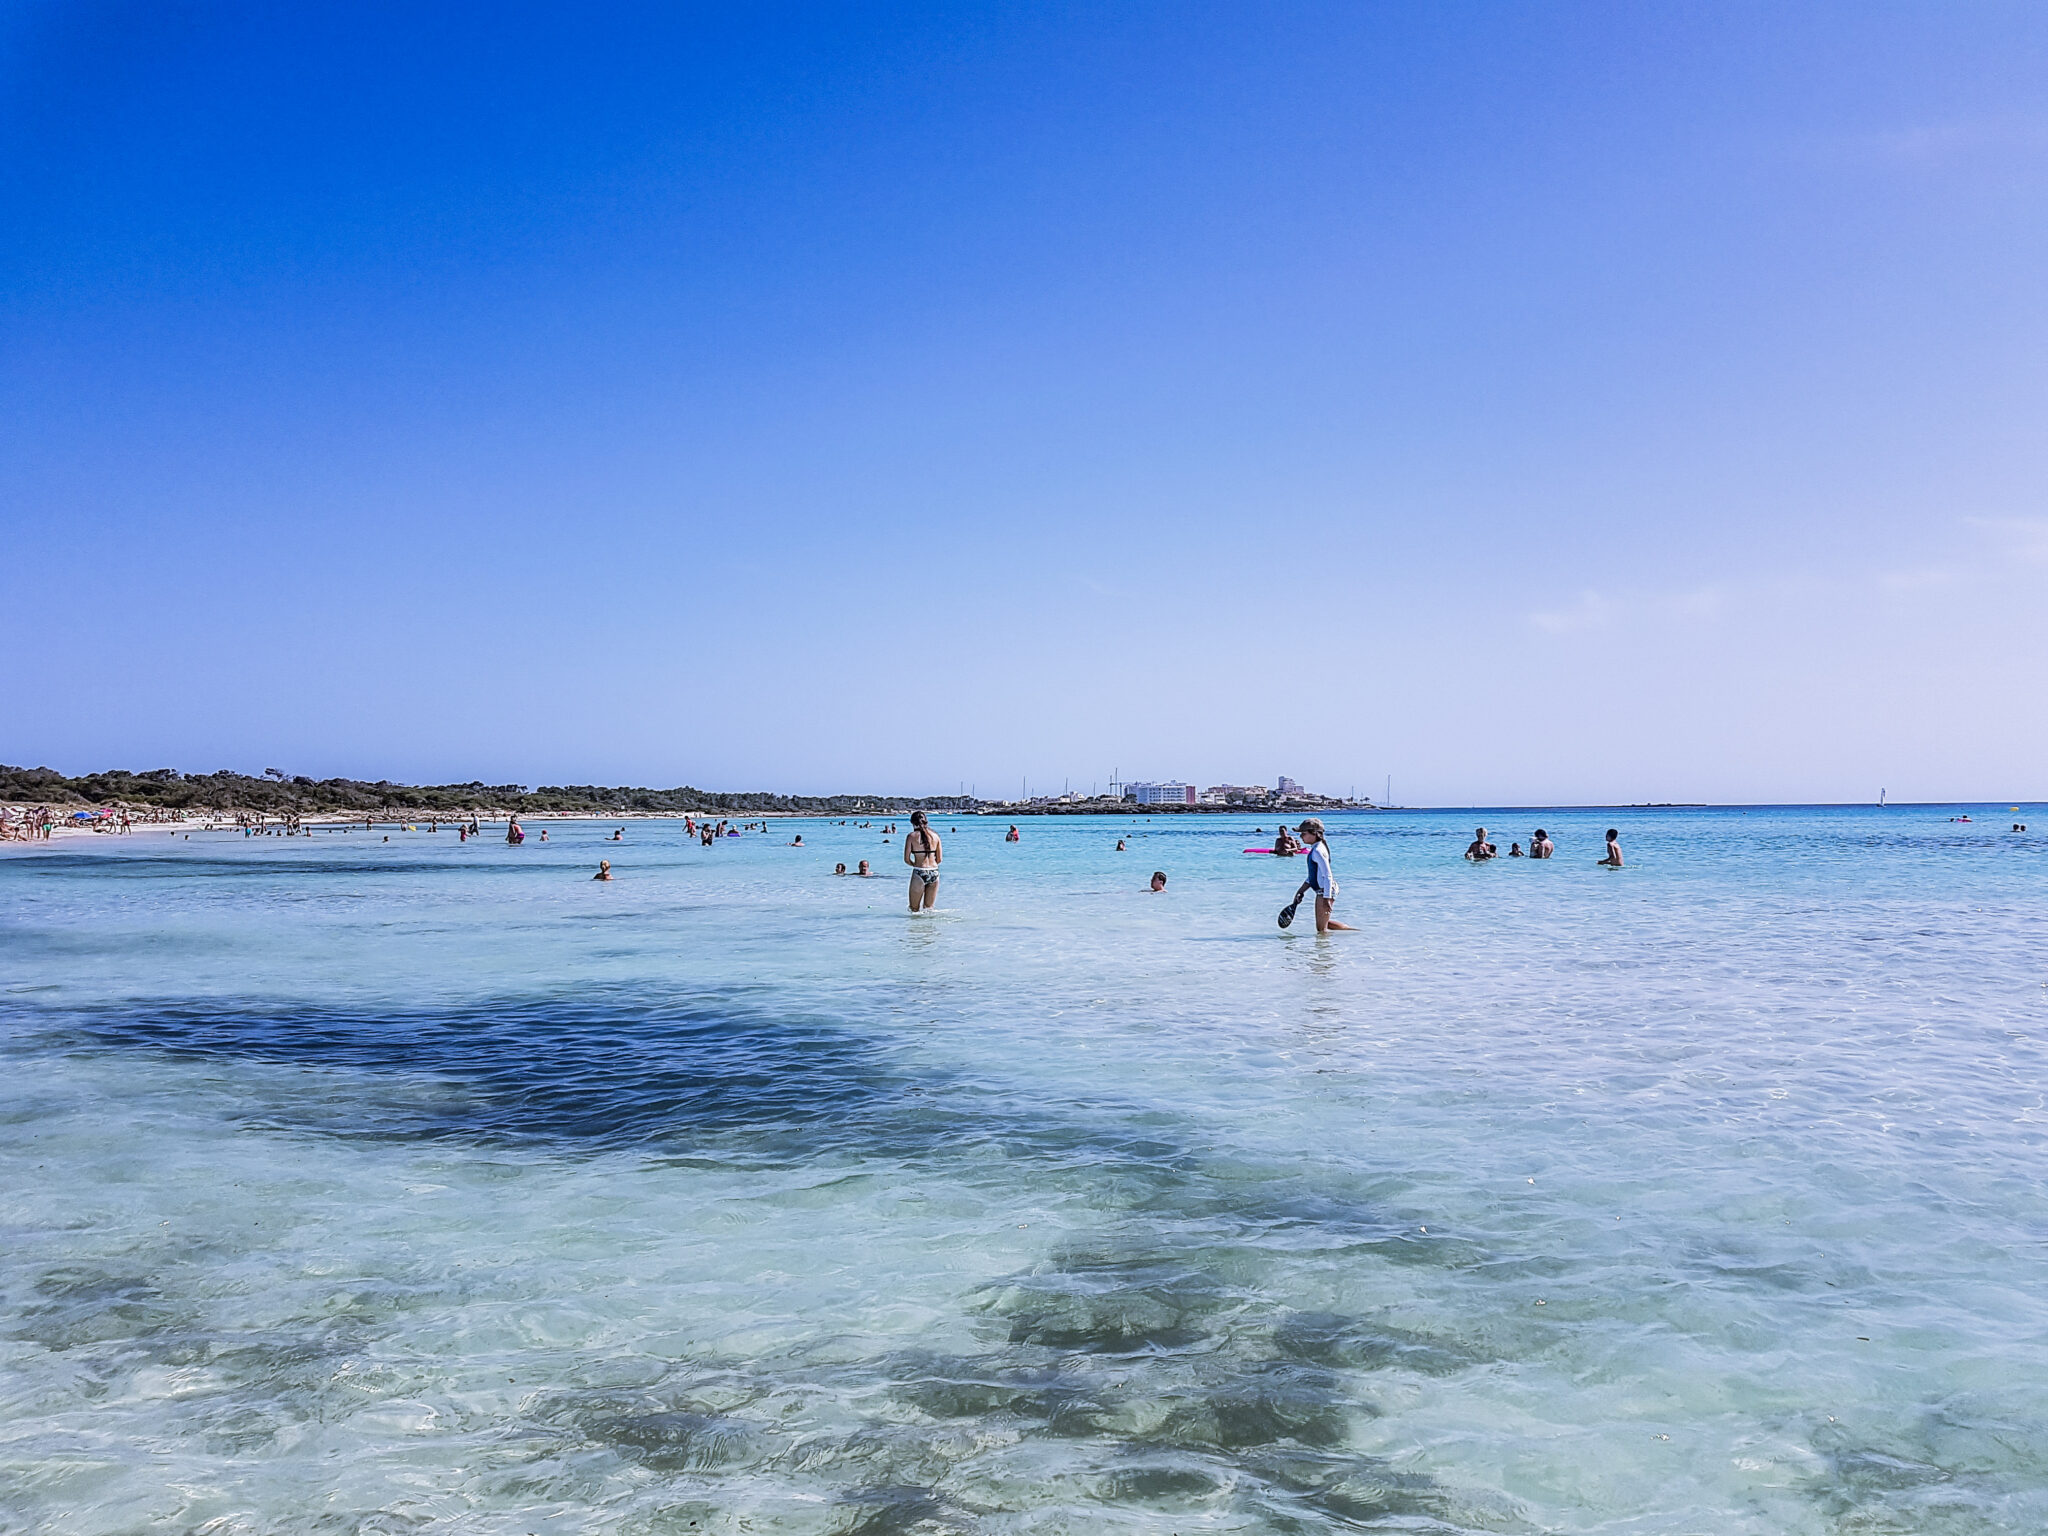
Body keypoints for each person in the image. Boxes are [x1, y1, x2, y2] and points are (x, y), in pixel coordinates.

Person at [1293, 818, 1353, 932]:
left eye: (1303, 833)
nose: (1301, 836)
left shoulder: (1318, 851)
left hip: (1326, 890)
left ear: (1314, 833)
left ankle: (1325, 949)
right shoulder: (1316, 849)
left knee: (1321, 930)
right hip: (1324, 890)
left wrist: (1326, 898)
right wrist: (1301, 890)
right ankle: (1354, 933)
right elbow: (1313, 875)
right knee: (1323, 924)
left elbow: (1328, 875)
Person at [904, 810, 942, 911]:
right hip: (934, 872)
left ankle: (914, 927)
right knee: (929, 908)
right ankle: (929, 927)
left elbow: (906, 859)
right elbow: (939, 859)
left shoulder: (911, 837)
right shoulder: (935, 836)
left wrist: (915, 865)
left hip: (919, 871)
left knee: (914, 909)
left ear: (912, 822)